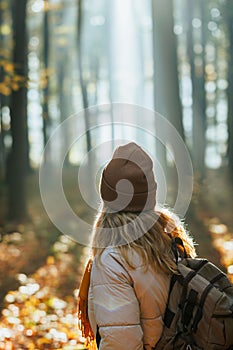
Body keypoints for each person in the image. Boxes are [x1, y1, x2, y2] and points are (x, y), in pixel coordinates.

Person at [78, 142, 196, 350]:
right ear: (150, 194)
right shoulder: (172, 239)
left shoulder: (113, 260)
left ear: (106, 194)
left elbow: (121, 343)